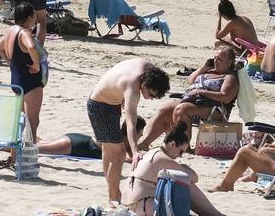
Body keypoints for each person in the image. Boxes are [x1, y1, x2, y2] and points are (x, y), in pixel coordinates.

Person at [87, 58, 171, 205]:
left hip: (109, 102)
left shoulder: (150, 70)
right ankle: (114, 198)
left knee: (109, 151)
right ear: (144, 84)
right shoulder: (132, 87)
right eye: (150, 95)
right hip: (99, 107)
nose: (150, 99)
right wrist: (135, 151)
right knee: (118, 154)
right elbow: (131, 122)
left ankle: (113, 196)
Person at [125, 124, 225, 216]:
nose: (180, 156)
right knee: (185, 183)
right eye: (180, 151)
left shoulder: (152, 152)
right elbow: (194, 177)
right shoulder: (162, 158)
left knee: (177, 181)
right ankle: (215, 214)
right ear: (172, 144)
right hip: (141, 207)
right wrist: (184, 166)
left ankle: (210, 213)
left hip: (131, 205)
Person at [0, 2, 46, 171]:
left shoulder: (10, 31)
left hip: (16, 80)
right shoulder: (24, 32)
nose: (35, 19)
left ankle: (13, 157)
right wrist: (36, 65)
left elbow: (0, 48)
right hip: (30, 83)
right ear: (29, 17)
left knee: (20, 123)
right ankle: (27, 162)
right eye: (34, 17)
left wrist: (11, 62)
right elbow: (31, 47)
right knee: (32, 123)